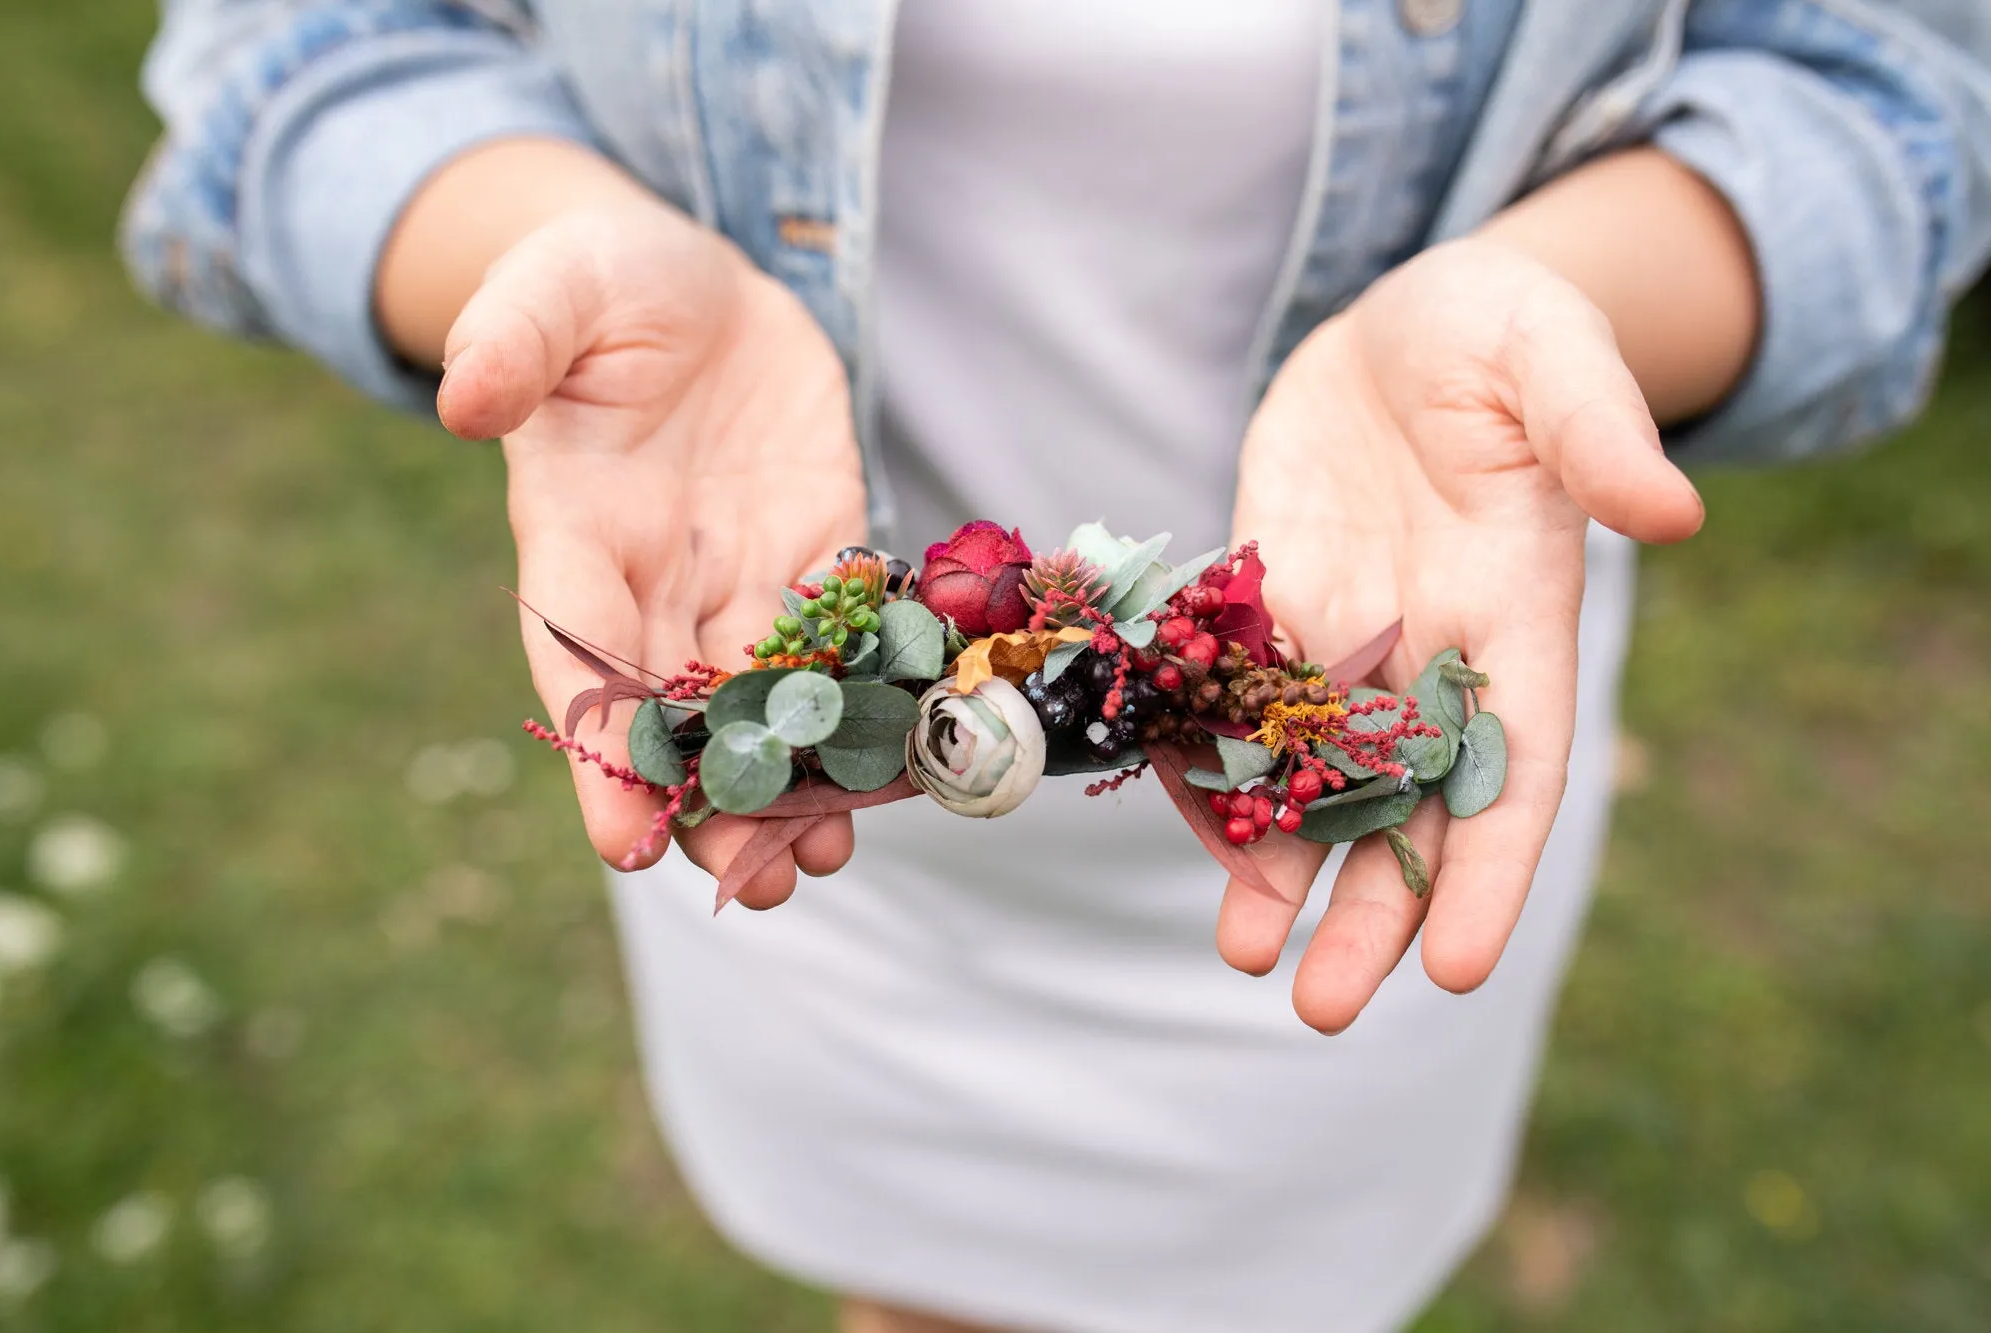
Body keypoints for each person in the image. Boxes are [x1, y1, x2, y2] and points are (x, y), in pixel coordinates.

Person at [126, 2, 1991, 1329]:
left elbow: (1887, 84)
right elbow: (296, 51)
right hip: (798, 655)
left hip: (1386, 647)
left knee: (1271, 1289)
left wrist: (1567, 303)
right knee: (930, 1289)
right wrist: (536, 242)